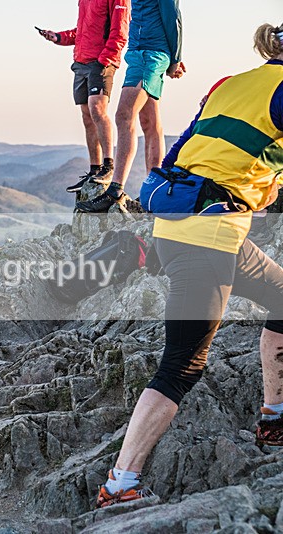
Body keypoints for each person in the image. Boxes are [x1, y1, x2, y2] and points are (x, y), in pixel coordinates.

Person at [95, 23, 283, 508]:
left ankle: (274, 415)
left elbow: (181, 153)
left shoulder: (231, 84)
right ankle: (120, 486)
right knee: (181, 367)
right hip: (208, 240)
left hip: (193, 225)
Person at [77, 0, 185, 213]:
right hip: (136, 53)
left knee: (124, 115)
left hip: (152, 54)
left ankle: (116, 190)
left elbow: (174, 18)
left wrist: (175, 59)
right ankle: (154, 191)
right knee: (150, 123)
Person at [38, 0, 130, 193]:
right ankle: (94, 170)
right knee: (87, 116)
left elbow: (120, 31)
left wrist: (105, 60)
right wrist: (58, 37)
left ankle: (109, 166)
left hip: (101, 62)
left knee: (97, 110)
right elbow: (82, 31)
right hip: (81, 62)